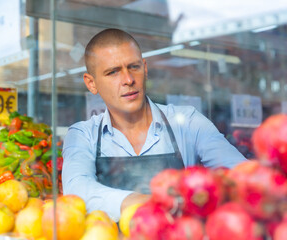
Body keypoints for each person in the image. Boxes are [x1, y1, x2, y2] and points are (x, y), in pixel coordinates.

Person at [62, 28, 246, 222]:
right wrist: (153, 204)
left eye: (133, 67)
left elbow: (241, 175)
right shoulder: (83, 135)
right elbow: (76, 192)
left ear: (145, 68)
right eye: (113, 72)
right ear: (91, 83)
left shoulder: (188, 122)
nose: (128, 80)